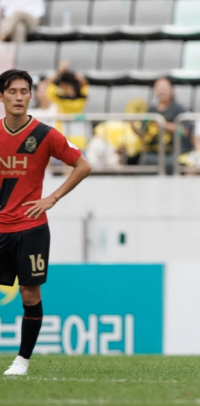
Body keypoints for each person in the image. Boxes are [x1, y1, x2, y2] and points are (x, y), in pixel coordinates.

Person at [0, 69, 91, 376]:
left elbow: (83, 165)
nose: (18, 97)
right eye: (12, 91)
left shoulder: (44, 134)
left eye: (24, 91)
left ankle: (21, 362)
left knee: (30, 294)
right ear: (1, 96)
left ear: (31, 96)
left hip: (30, 228)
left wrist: (52, 198)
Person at [131, 78, 190, 174]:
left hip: (174, 153)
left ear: (171, 90)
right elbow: (142, 132)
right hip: (152, 153)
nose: (162, 90)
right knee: (143, 162)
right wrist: (133, 126)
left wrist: (164, 125)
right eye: (159, 88)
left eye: (164, 87)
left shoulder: (179, 109)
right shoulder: (150, 110)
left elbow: (185, 131)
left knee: (170, 164)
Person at [43, 60, 90, 149]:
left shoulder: (59, 97)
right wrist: (79, 77)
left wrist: (59, 71)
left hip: (62, 141)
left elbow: (47, 86)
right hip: (79, 141)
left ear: (63, 85)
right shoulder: (82, 99)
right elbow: (85, 85)